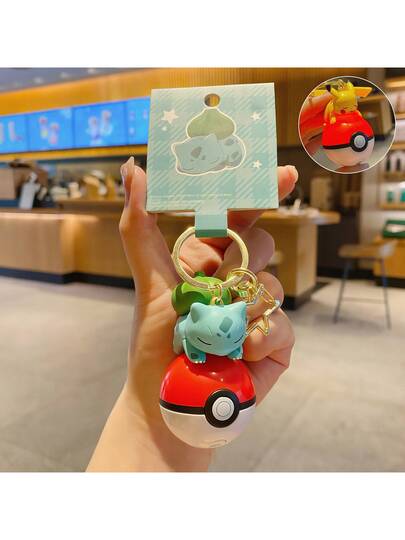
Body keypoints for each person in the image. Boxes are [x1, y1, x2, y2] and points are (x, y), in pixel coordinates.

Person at [87, 157, 298, 472]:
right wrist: (145, 424)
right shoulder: (188, 320)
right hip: (186, 380)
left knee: (257, 268)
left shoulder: (222, 312)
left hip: (216, 377)